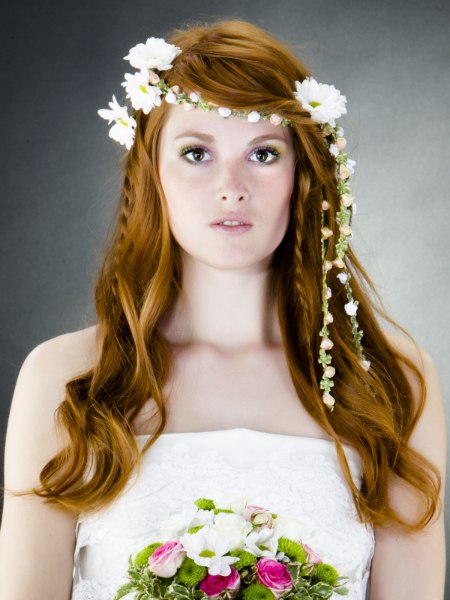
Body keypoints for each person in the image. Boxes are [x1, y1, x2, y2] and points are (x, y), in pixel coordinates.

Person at [0, 19, 446, 600]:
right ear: (152, 172)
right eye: (196, 153)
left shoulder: (391, 380)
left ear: (302, 176)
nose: (231, 187)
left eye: (263, 153)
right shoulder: (65, 377)